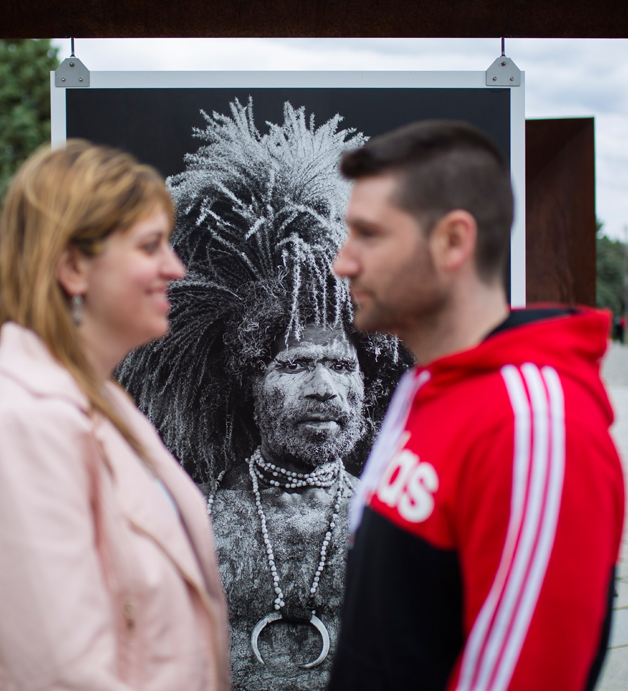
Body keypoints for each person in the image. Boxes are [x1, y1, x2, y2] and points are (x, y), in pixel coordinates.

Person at [117, 99, 409, 690]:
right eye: (297, 364)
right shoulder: (193, 519)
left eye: (339, 365)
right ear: (252, 380)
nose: (325, 389)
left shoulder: (397, 520)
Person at [327, 121, 625, 691]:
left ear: (454, 241)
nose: (344, 262)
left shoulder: (537, 425)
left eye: (368, 234)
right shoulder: (425, 387)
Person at [0, 141, 230, 691]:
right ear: (73, 267)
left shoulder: (100, 398)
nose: (175, 267)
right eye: (150, 246)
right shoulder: (22, 426)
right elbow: (65, 675)